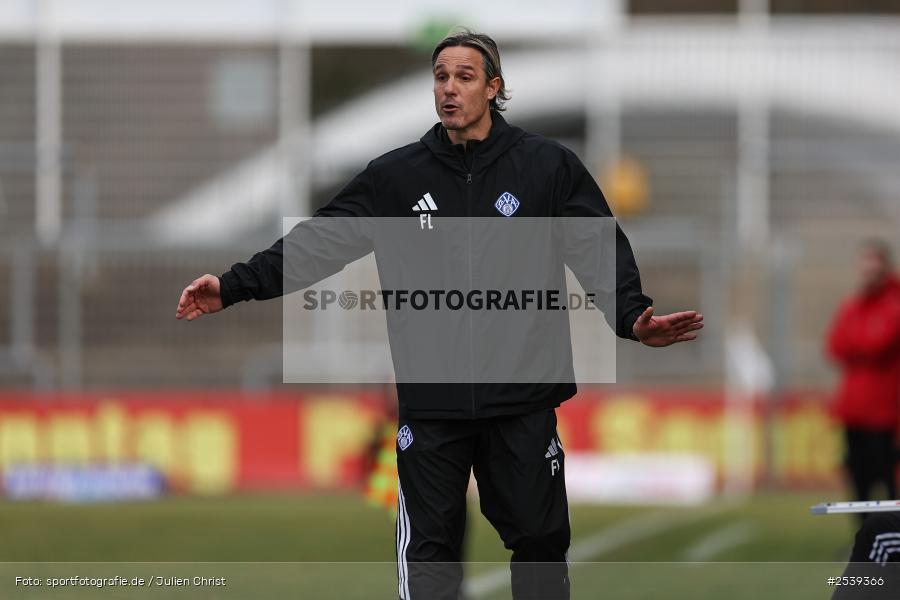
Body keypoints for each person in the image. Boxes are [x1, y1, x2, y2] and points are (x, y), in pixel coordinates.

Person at [175, 29, 703, 600]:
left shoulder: (547, 168)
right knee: (430, 556)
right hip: (432, 407)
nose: (449, 89)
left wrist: (632, 316)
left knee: (542, 545)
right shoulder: (396, 178)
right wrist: (232, 286)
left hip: (521, 400)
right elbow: (314, 245)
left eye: (465, 77)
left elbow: (600, 249)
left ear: (493, 88)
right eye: (441, 77)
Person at [827, 240, 900, 522]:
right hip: (854, 411)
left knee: (888, 483)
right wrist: (858, 345)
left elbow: (877, 343)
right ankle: (865, 542)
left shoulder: (893, 304)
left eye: (874, 263)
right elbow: (835, 346)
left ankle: (892, 541)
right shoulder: (853, 304)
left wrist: (856, 345)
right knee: (859, 482)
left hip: (885, 414)